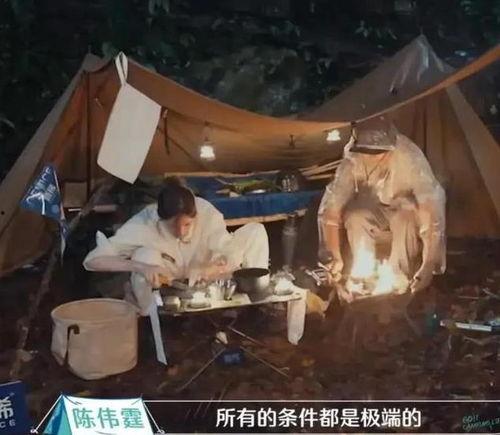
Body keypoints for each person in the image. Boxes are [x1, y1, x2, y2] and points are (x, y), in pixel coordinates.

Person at [83, 177, 269, 315]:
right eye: (173, 226)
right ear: (160, 218)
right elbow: (92, 261)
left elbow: (226, 248)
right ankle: (152, 317)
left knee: (255, 230)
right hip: (166, 279)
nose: (181, 232)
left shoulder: (205, 212)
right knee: (144, 255)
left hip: (204, 277)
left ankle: (255, 304)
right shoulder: (145, 223)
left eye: (187, 225)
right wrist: (141, 267)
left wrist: (216, 266)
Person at [318, 116, 446, 294]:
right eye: (365, 151)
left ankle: (400, 278)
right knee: (356, 217)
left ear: (391, 148)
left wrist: (428, 263)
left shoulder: (410, 158)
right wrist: (334, 256)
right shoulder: (353, 159)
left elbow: (430, 209)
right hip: (375, 211)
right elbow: (331, 208)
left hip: (406, 211)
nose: (370, 157)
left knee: (404, 217)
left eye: (378, 153)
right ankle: (363, 277)